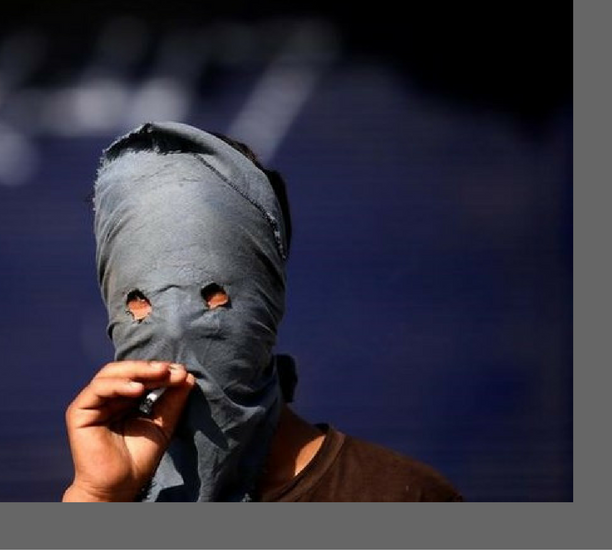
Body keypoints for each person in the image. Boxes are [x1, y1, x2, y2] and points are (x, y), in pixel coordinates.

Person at [63, 122, 462, 502]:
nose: (177, 324)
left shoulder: (396, 497)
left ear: (267, 297)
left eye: (212, 297)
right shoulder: (106, 489)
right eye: (141, 304)